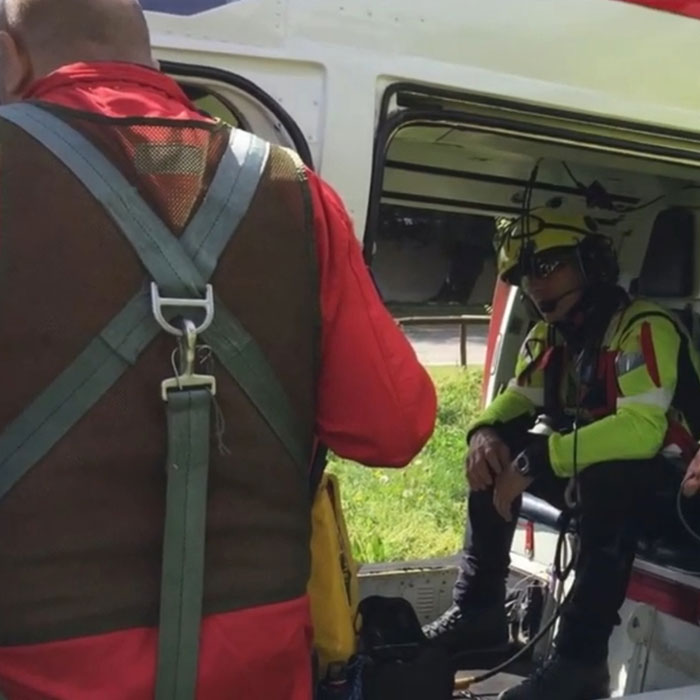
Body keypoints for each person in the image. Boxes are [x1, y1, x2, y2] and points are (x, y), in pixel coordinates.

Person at [0, 1, 437, 699]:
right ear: (149, 58)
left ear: (8, 53)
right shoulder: (296, 192)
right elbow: (395, 427)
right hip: (255, 668)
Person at [423, 209, 700, 700]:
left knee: (608, 477)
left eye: (548, 266)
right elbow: (518, 399)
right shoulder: (551, 335)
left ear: (590, 262)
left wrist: (537, 460)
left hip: (681, 491)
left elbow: (641, 431)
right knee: (498, 456)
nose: (533, 283)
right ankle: (480, 613)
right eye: (526, 272)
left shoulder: (644, 328)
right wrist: (483, 433)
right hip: (610, 481)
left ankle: (579, 661)